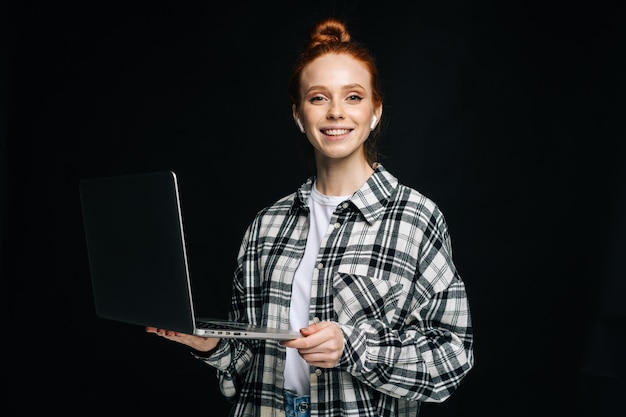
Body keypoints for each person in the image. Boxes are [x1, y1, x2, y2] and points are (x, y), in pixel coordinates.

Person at [147, 16, 474, 417]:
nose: (336, 112)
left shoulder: (415, 218)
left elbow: (452, 359)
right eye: (319, 97)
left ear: (375, 111)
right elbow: (248, 366)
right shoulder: (266, 225)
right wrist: (212, 346)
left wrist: (352, 348)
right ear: (299, 115)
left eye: (353, 97)